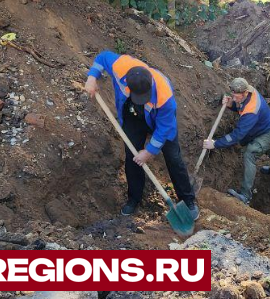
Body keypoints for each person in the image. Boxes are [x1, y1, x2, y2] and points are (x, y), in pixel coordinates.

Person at [84, 51, 198, 219]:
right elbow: (102, 57)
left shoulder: (165, 96)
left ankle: (187, 200)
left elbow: (164, 129)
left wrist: (150, 151)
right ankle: (134, 199)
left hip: (159, 121)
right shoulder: (121, 66)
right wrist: (92, 77)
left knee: (173, 157)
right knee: (133, 156)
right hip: (133, 116)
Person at [202, 77, 270, 205]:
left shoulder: (251, 110)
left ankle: (245, 196)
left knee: (250, 153)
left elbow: (237, 135)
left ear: (245, 93)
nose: (234, 98)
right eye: (232, 95)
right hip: (266, 128)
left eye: (236, 97)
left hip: (268, 132)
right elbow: (241, 106)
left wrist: (215, 143)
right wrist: (231, 104)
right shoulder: (248, 92)